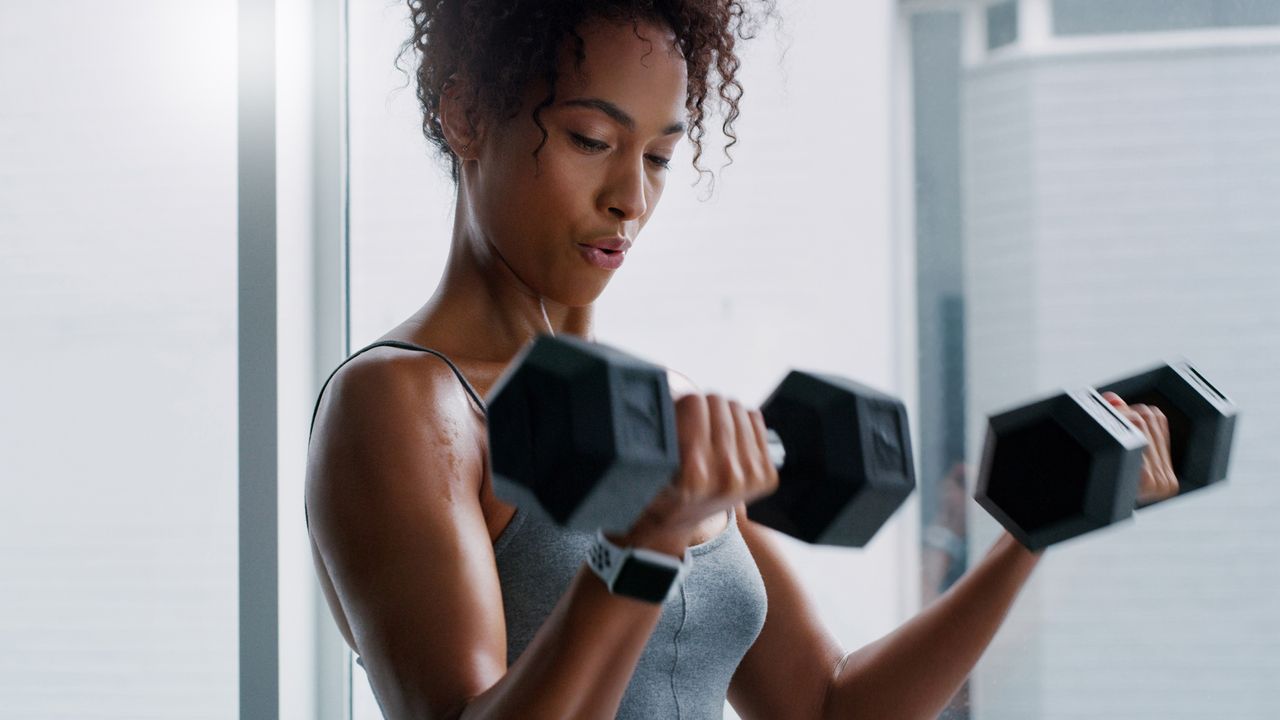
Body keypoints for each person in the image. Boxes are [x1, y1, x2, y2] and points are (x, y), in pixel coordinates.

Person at [304, 2, 1181, 718]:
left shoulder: (670, 411)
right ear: (464, 115)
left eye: (657, 156)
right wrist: (643, 551)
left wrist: (1028, 535)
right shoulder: (407, 406)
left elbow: (827, 707)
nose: (631, 198)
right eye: (589, 141)